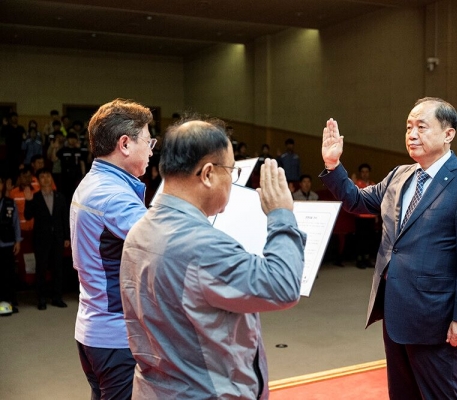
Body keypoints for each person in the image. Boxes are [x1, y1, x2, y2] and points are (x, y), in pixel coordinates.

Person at [320, 97, 457, 399]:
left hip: (435, 317)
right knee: (402, 394)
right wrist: (333, 166)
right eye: (408, 127)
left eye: (421, 127)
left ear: (448, 134)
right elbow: (358, 202)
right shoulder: (400, 175)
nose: (411, 134)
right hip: (396, 310)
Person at [120, 119, 306, 399]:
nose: (232, 180)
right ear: (207, 174)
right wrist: (281, 214)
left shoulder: (139, 231)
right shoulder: (202, 246)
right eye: (231, 170)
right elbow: (283, 287)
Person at [70, 98, 154, 399]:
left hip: (93, 327)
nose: (151, 149)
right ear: (125, 144)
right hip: (115, 335)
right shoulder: (113, 196)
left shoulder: (94, 182)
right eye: (148, 140)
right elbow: (163, 245)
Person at [24, 168, 70, 310]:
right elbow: (27, 216)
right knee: (41, 269)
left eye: (47, 176)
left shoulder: (60, 197)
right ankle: (41, 299)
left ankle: (57, 297)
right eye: (42, 177)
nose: (45, 179)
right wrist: (28, 201)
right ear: (38, 180)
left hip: (58, 238)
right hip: (41, 239)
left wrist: (67, 237)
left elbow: (65, 218)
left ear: (51, 178)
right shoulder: (35, 197)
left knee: (58, 268)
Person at [0, 176, 22, 314]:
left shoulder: (9, 202)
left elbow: (16, 222)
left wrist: (18, 240)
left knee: (8, 273)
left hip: (7, 242)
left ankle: (10, 300)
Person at [352, 163, 378, 269]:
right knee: (360, 239)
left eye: (366, 172)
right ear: (360, 173)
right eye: (362, 172)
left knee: (369, 239)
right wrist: (353, 183)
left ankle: (367, 259)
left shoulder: (373, 184)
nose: (365, 174)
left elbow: (376, 200)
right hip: (360, 216)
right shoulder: (357, 184)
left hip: (371, 216)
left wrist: (376, 215)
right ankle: (359, 259)